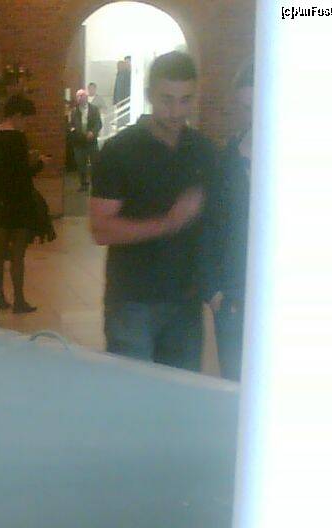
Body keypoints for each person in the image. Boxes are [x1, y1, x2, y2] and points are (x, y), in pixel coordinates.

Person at [90, 51, 217, 371]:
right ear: (149, 94)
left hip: (186, 301)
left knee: (181, 394)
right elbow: (101, 229)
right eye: (166, 99)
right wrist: (169, 222)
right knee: (134, 394)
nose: (176, 111)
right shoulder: (119, 151)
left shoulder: (202, 150)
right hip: (132, 301)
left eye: (185, 100)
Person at [0, 94, 53, 314]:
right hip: (19, 200)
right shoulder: (18, 139)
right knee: (18, 253)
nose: (26, 124)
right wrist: (41, 163)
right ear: (18, 115)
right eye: (26, 119)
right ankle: (19, 300)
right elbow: (22, 174)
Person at [205, 62, 253, 381]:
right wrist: (214, 291)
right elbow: (210, 227)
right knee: (235, 383)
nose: (254, 118)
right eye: (247, 108)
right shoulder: (226, 161)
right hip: (234, 297)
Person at [70, 89, 103, 191]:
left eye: (82, 96)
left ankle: (96, 185)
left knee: (95, 164)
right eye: (78, 96)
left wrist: (93, 132)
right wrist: (74, 132)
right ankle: (84, 184)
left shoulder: (94, 109)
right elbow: (71, 125)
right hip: (79, 142)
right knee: (81, 165)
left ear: (86, 97)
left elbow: (98, 123)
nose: (80, 98)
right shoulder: (74, 111)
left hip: (91, 141)